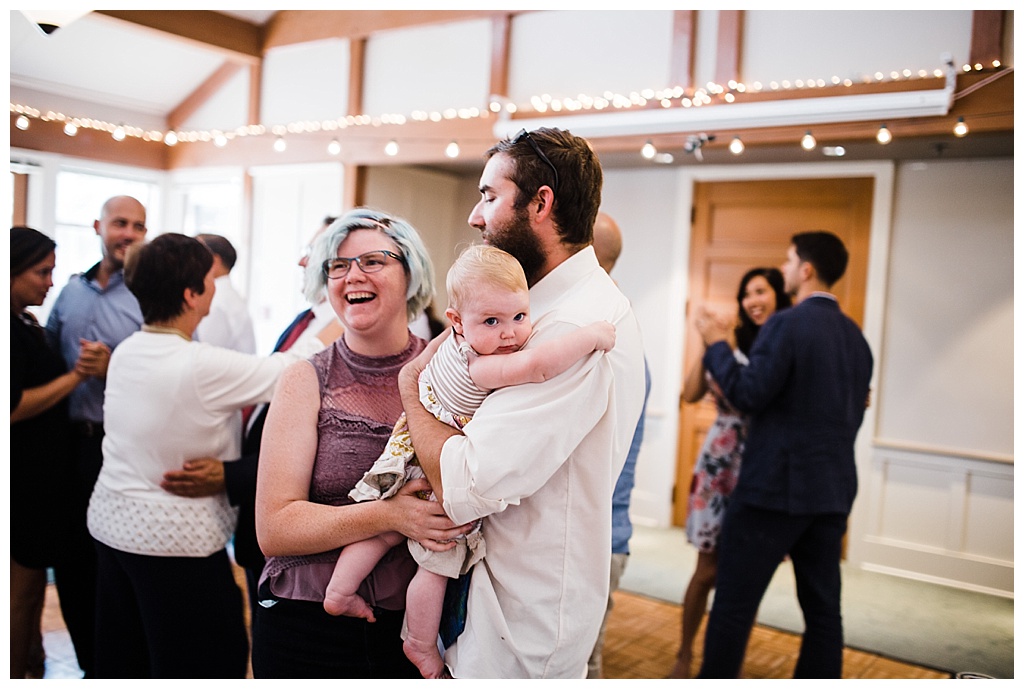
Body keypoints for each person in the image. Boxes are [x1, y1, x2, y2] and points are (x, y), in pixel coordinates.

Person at [397, 128, 647, 678]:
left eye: (489, 195)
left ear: (541, 203)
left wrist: (413, 390)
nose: (474, 215)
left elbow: (464, 483)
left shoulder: (570, 327)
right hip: (502, 609)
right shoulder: (538, 312)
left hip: (518, 633)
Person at [326, 244, 616, 678]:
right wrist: (592, 336)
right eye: (492, 322)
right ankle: (419, 643)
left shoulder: (450, 342)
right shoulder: (481, 364)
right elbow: (537, 366)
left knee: (386, 527)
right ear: (458, 322)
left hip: (405, 445)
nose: (510, 334)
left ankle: (339, 589)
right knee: (437, 560)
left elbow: (418, 377)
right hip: (431, 462)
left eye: (520, 316)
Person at [252, 208, 471, 678]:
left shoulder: (449, 371)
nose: (354, 275)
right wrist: (389, 515)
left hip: (414, 626)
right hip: (305, 624)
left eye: (373, 261)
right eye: (338, 265)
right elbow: (274, 528)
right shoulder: (305, 379)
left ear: (410, 272)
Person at [86, 233, 302, 678]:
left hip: (110, 528)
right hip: (172, 545)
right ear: (191, 294)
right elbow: (291, 373)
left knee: (125, 659)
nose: (216, 286)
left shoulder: (128, 350)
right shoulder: (200, 364)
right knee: (207, 662)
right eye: (211, 278)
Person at [695, 231, 873, 678]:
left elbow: (748, 394)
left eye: (790, 261)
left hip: (772, 491)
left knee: (734, 605)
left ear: (806, 269)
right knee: (823, 614)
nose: (787, 269)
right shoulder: (857, 339)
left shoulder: (787, 324)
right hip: (832, 493)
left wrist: (717, 344)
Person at [161, 217, 344, 617]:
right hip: (257, 508)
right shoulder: (308, 319)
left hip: (295, 525)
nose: (300, 262)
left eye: (311, 253)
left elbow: (332, 446)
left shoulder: (348, 332)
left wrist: (234, 475)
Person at [668, 266, 791, 678]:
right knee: (706, 571)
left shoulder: (786, 342)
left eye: (761, 291)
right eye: (746, 293)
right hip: (719, 468)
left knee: (740, 576)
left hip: (762, 465)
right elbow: (689, 394)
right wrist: (708, 343)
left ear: (779, 294)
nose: (752, 300)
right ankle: (684, 655)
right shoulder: (727, 344)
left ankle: (723, 664)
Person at [44, 194, 147, 676]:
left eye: (139, 226)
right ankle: (89, 665)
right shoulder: (69, 291)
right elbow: (47, 355)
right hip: (64, 444)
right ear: (98, 226)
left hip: (119, 445)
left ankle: (117, 668)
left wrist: (115, 367)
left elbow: (159, 369)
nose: (129, 233)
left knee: (112, 561)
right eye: (121, 223)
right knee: (70, 562)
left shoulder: (147, 293)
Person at [9, 227, 107, 679]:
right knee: (23, 585)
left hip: (46, 469)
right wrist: (78, 377)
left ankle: (31, 659)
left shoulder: (25, 320)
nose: (50, 282)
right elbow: (12, 406)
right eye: (40, 272)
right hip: (23, 473)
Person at [586, 211, 651, 679]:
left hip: (597, 538)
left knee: (582, 668)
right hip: (605, 534)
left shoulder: (600, 339)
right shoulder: (614, 328)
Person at [194, 233, 256, 354]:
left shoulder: (216, 301)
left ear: (214, 262)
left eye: (195, 256)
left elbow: (203, 352)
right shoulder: (227, 296)